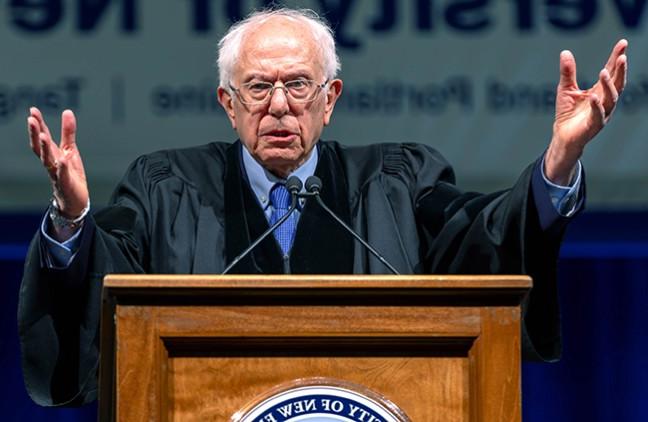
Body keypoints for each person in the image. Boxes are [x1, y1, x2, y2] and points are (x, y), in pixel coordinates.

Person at [19, 8, 627, 407]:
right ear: (228, 104)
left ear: (329, 98)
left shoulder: (396, 180)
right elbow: (111, 285)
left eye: (298, 85)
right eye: (258, 88)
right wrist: (72, 220)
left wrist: (556, 167)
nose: (279, 105)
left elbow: (485, 238)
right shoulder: (164, 186)